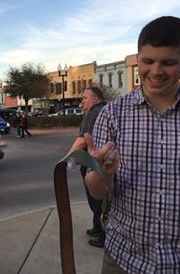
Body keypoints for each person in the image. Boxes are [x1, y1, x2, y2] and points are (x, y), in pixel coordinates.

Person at [74, 16, 180, 273]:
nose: (156, 71)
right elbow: (97, 192)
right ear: (138, 59)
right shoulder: (113, 115)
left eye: (168, 63)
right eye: (148, 61)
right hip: (124, 260)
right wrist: (103, 174)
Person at [75, 87, 108, 248]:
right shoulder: (107, 110)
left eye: (85, 98)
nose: (82, 101)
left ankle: (103, 235)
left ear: (95, 99)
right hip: (103, 163)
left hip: (92, 164)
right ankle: (97, 228)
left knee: (97, 200)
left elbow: (82, 140)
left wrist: (68, 157)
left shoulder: (94, 113)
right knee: (100, 199)